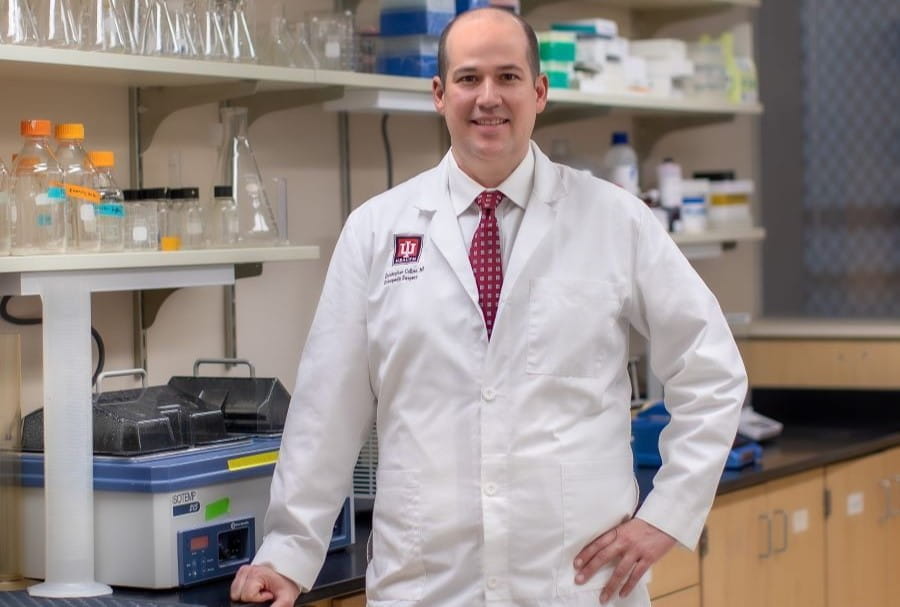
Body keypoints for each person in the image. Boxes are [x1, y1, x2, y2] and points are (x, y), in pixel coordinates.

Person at [231, 7, 746, 607]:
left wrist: (667, 514)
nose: (488, 98)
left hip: (575, 585)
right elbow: (327, 409)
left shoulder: (614, 220)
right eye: (469, 78)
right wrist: (288, 554)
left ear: (540, 92)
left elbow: (711, 369)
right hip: (428, 585)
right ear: (439, 94)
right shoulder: (375, 231)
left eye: (508, 77)